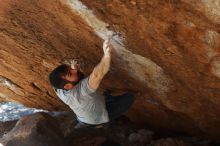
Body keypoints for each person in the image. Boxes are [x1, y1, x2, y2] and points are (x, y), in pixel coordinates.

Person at [49, 39, 135, 128]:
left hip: (85, 116)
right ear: (68, 86)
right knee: (130, 96)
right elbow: (97, 75)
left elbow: (54, 79)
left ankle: (107, 95)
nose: (74, 70)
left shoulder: (58, 88)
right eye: (71, 73)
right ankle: (110, 104)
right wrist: (106, 54)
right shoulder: (80, 94)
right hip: (99, 118)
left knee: (103, 95)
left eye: (71, 69)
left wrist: (72, 68)